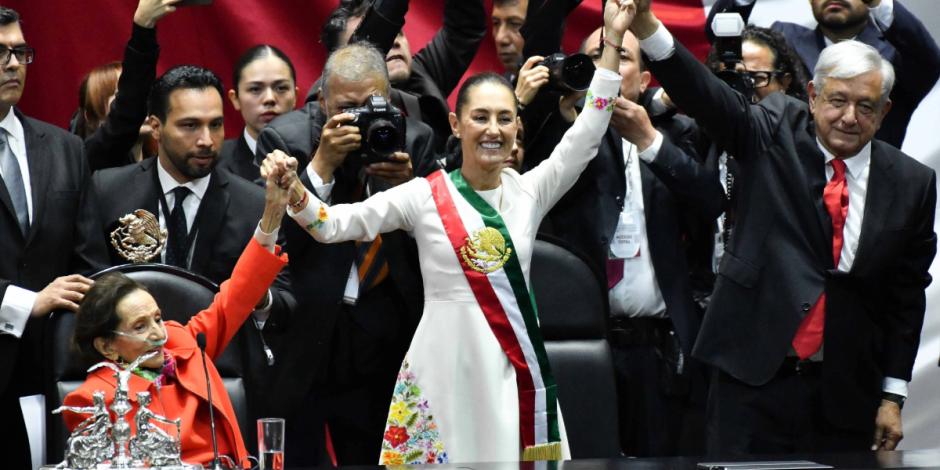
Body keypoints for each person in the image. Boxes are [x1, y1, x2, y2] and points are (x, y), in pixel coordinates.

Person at [266, 1, 632, 463]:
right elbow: (331, 225)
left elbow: (591, 129)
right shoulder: (421, 195)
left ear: (518, 127)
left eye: (504, 118)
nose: (493, 130)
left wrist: (614, 41)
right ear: (456, 125)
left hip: (511, 373)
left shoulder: (532, 192)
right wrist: (293, 187)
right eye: (480, 117)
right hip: (438, 373)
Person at [629, 0, 937, 455]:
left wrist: (893, 394)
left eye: (865, 106)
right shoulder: (772, 128)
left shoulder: (912, 183)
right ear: (812, 95)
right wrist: (648, 26)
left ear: (885, 110)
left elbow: (905, 297)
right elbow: (705, 96)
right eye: (837, 100)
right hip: (750, 379)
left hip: (846, 390)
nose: (849, 117)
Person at [523, 23, 723, 457]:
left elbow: (711, 201)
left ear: (645, 80)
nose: (606, 67)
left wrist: (648, 140)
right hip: (579, 344)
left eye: (620, 57)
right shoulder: (562, 140)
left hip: (658, 348)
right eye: (595, 57)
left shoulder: (675, 134)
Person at [256, 42, 436, 466]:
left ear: (390, 98)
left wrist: (411, 192)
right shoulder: (286, 139)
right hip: (308, 328)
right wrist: (320, 167)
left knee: (381, 455)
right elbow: (272, 244)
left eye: (373, 104)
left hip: (386, 326)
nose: (361, 118)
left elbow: (435, 247)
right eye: (347, 107)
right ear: (321, 101)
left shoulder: (414, 137)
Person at [63, 168, 289, 468]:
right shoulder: (89, 399)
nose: (159, 334)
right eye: (140, 326)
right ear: (107, 346)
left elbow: (238, 295)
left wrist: (272, 213)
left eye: (158, 318)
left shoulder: (183, 342)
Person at [0, 7, 109, 467]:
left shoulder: (65, 148)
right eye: (0, 53)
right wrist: (25, 302)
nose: (12, 64)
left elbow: (90, 260)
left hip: (56, 373)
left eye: (20, 51)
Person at [708, 0, 940, 148]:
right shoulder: (784, 39)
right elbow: (720, 38)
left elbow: (928, 62)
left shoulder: (896, 55)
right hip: (789, 196)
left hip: (871, 195)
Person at [311, 0, 487, 148]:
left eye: (399, 34)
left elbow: (466, 26)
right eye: (383, 39)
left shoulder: (423, 75)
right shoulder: (329, 95)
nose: (394, 43)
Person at [81, 0, 177, 170]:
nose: (144, 106)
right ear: (91, 117)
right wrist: (143, 27)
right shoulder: (87, 158)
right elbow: (127, 113)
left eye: (148, 97)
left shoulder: (165, 165)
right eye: (119, 96)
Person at [218, 45, 299, 184]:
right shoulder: (215, 163)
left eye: (281, 88)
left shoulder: (316, 156)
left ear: (295, 96)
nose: (269, 98)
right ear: (235, 99)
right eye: (255, 89)